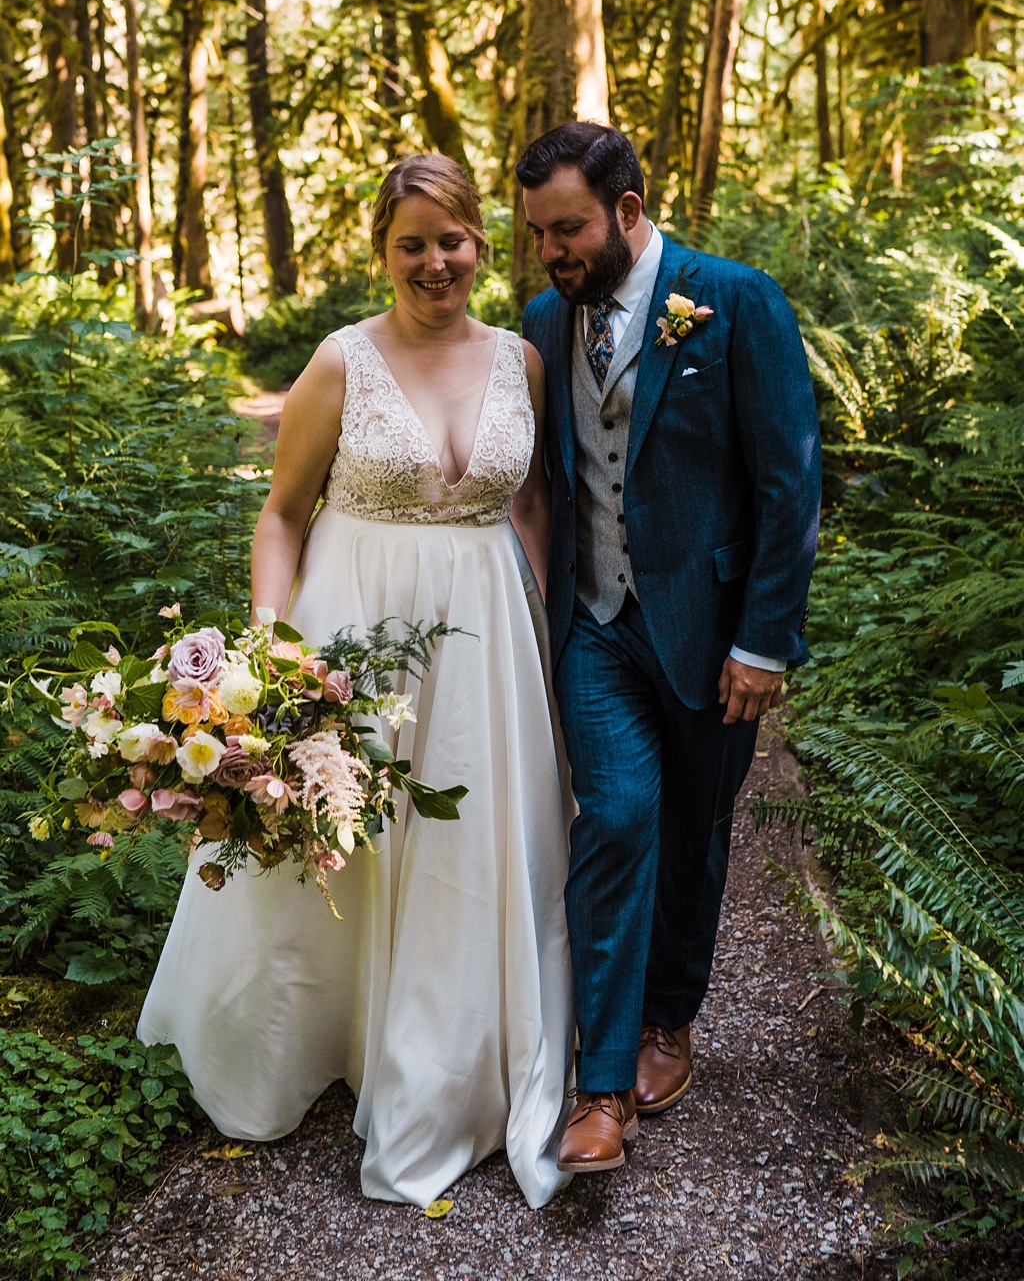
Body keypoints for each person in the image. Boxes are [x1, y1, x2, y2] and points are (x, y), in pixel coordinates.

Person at [138, 154, 575, 1210]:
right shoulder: (343, 360)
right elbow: (281, 515)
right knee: (341, 835)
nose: (435, 263)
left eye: (451, 240)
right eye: (410, 244)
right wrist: (267, 654)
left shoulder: (521, 360)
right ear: (382, 252)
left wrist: (545, 638)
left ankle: (443, 1059)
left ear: (482, 243)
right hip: (353, 630)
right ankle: (316, 1035)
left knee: (467, 845)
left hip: (485, 640)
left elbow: (531, 506)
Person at [519, 122, 821, 1174]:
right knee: (614, 818)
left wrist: (765, 642)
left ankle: (669, 1020)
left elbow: (789, 480)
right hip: (595, 625)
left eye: (567, 230)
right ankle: (600, 1087)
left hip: (711, 629)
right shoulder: (540, 322)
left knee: (694, 830)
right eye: (538, 234)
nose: (551, 253)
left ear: (628, 210)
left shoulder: (736, 300)